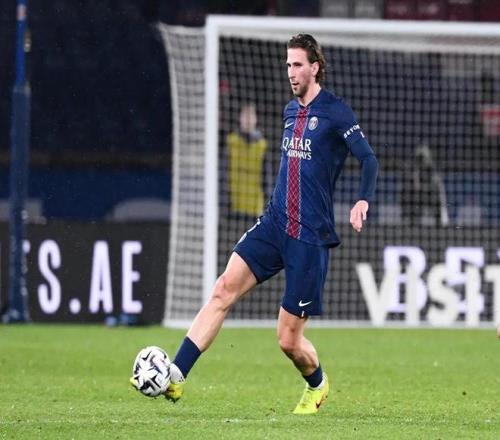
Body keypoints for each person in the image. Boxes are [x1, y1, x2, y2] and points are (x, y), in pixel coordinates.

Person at [134, 33, 378, 414]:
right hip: (274, 223)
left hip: (309, 236)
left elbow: (368, 159)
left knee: (288, 341)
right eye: (287, 64)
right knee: (222, 290)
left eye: (297, 65)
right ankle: (176, 376)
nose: (291, 72)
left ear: (315, 68)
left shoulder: (336, 112)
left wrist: (362, 200)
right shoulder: (289, 111)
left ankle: (317, 384)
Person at [227, 103, 268, 219]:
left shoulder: (262, 145)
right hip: (233, 208)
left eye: (251, 115)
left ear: (256, 119)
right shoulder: (231, 142)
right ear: (240, 118)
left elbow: (266, 179)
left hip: (255, 209)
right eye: (245, 115)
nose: (248, 119)